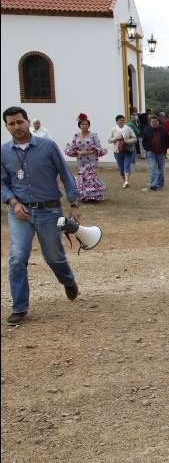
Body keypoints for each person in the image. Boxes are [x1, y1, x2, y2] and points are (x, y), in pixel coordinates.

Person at [1, 106, 82, 325]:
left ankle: (68, 280)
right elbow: (2, 182)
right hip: (20, 213)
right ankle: (19, 307)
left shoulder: (48, 146)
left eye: (20, 122)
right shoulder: (4, 152)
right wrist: (13, 202)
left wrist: (73, 203)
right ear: (6, 126)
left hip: (49, 210)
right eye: (11, 123)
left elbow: (66, 174)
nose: (16, 127)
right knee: (17, 258)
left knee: (53, 256)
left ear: (27, 121)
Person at [64, 114, 108, 202]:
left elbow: (98, 147)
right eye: (83, 124)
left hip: (91, 159)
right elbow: (72, 147)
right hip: (81, 160)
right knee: (82, 177)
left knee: (90, 176)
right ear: (79, 126)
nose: (84, 126)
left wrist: (88, 152)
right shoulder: (76, 136)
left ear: (89, 125)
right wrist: (79, 152)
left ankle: (94, 195)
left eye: (86, 124)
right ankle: (84, 196)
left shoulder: (93, 135)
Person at [108, 114, 138, 188]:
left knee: (127, 165)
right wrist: (115, 138)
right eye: (120, 120)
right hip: (117, 151)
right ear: (117, 121)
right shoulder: (113, 129)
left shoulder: (128, 128)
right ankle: (125, 181)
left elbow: (135, 138)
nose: (122, 122)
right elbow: (109, 140)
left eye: (123, 120)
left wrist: (127, 141)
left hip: (128, 150)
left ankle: (127, 181)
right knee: (121, 168)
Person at [142, 116, 169, 191]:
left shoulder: (163, 130)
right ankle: (153, 185)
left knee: (161, 169)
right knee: (153, 168)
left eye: (155, 121)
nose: (154, 123)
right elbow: (144, 141)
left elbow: (167, 141)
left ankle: (160, 184)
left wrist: (165, 149)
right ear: (150, 123)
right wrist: (147, 149)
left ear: (158, 122)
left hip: (161, 152)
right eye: (152, 122)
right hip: (151, 152)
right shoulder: (146, 130)